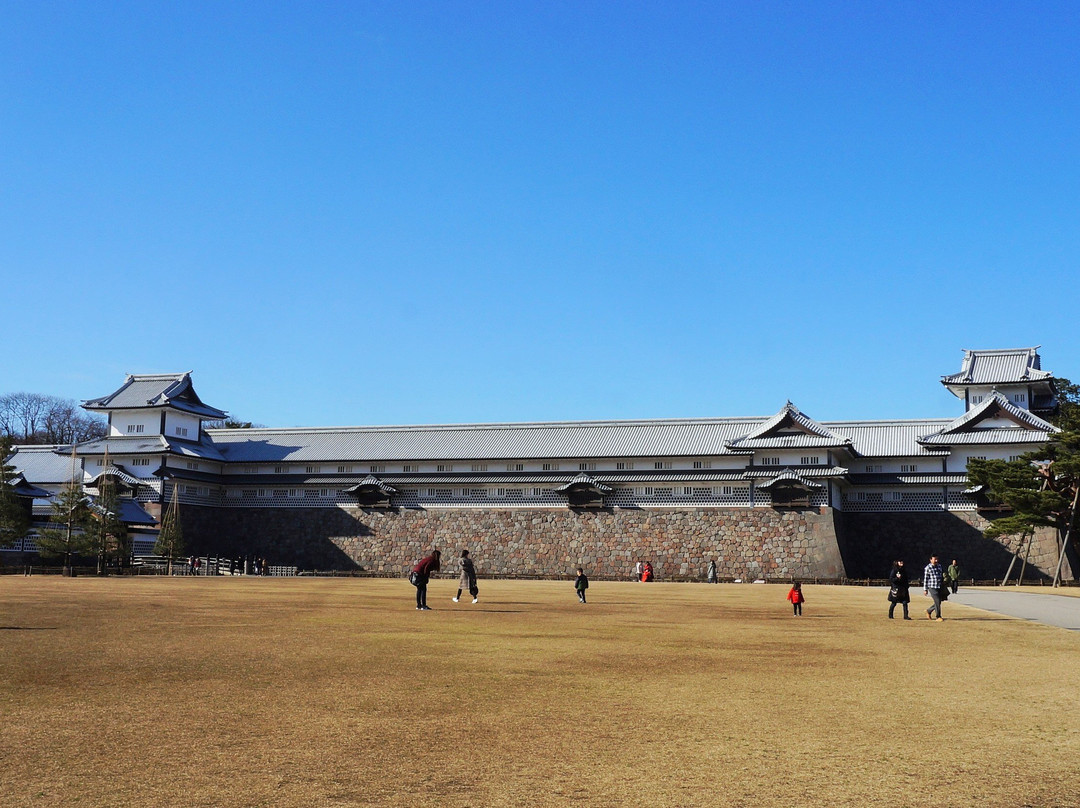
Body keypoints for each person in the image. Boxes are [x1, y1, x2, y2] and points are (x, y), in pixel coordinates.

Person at [923, 554, 945, 621]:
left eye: (937, 559)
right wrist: (925, 589)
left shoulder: (939, 566)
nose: (936, 560)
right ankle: (938, 616)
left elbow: (941, 575)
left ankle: (928, 611)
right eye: (934, 559)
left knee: (939, 601)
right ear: (930, 560)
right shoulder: (928, 568)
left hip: (939, 586)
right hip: (932, 586)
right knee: (937, 601)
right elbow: (925, 579)